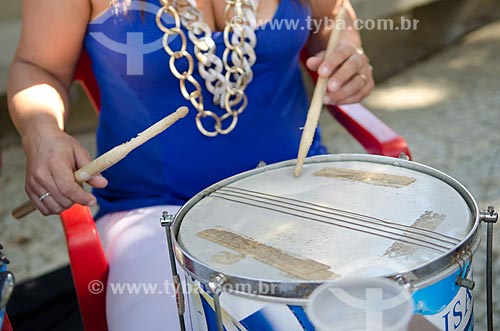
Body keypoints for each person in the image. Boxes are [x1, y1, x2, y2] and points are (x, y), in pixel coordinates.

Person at [7, 0, 374, 330]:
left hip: (299, 186)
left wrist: (345, 51)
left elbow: (331, 17)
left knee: (378, 310)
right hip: (154, 211)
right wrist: (41, 132)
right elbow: (39, 66)